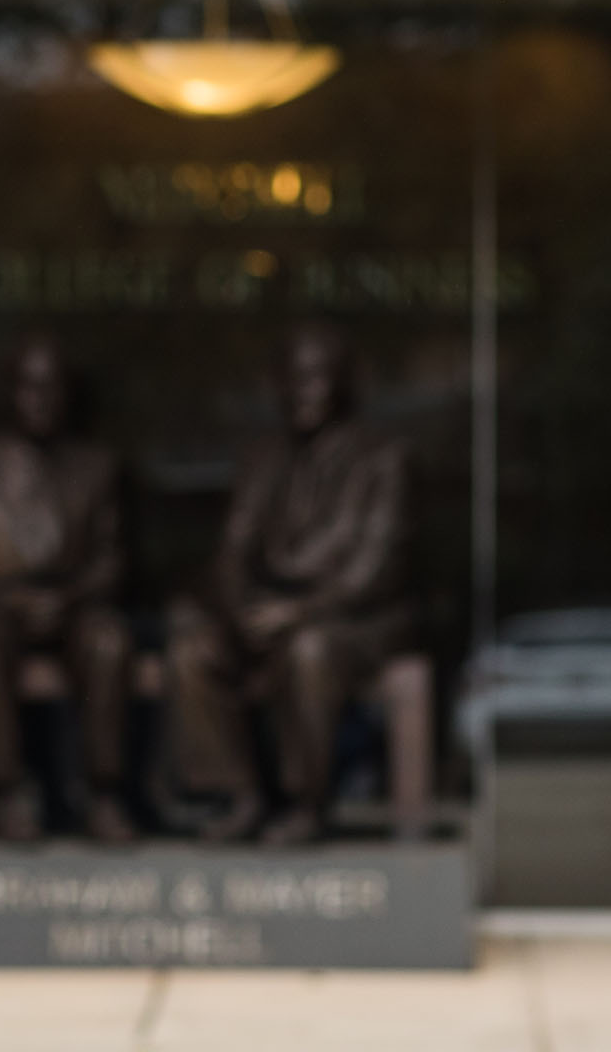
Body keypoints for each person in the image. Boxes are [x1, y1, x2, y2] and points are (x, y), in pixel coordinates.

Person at [165, 322, 408, 845]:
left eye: (317, 377)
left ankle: (306, 802)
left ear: (342, 382)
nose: (303, 391)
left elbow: (375, 569)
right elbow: (232, 550)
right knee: (192, 651)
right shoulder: (263, 456)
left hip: (350, 617)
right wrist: (242, 611)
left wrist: (297, 614)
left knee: (309, 651)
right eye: (293, 378)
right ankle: (239, 794)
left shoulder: (381, 457)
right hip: (262, 613)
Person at [0, 332, 134, 841]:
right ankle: (2, 794)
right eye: (30, 387)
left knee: (109, 641)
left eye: (52, 388)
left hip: (72, 605)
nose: (42, 400)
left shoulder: (96, 466)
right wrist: (7, 599)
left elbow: (112, 562)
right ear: (9, 390)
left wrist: (68, 598)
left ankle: (103, 794)